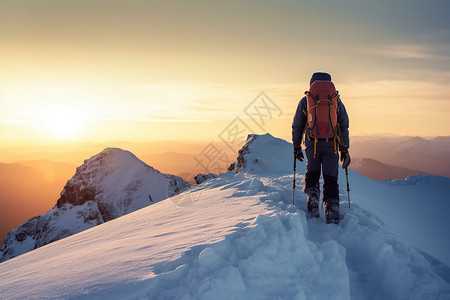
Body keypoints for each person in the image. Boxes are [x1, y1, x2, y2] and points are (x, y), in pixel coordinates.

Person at [292, 72, 350, 224]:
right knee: (331, 177)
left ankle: (312, 198)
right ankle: (332, 209)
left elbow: (297, 126)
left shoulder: (306, 100)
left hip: (312, 144)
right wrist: (344, 149)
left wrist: (296, 146)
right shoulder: (336, 100)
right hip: (332, 144)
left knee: (312, 172)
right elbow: (344, 125)